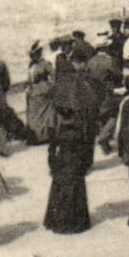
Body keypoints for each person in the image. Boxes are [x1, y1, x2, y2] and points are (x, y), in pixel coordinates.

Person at [44, 96, 93, 235]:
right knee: (76, 192)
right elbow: (85, 151)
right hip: (75, 163)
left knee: (59, 192)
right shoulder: (79, 132)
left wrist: (52, 165)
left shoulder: (57, 131)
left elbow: (51, 150)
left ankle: (58, 221)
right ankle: (76, 223)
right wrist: (84, 165)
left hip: (62, 163)